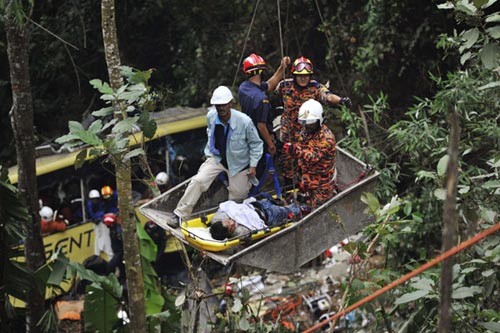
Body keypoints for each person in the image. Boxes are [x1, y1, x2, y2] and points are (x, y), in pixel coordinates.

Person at [173, 86, 263, 221]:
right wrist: (209, 153)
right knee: (198, 181)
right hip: (218, 158)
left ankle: (228, 221)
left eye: (224, 105)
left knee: (237, 197)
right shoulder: (211, 116)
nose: (221, 108)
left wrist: (253, 165)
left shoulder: (244, 121)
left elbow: (256, 144)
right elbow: (210, 133)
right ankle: (180, 214)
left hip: (239, 163)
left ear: (230, 104)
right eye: (218, 105)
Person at [276, 56, 350, 184]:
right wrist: (281, 67)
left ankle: (305, 186)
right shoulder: (285, 86)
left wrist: (341, 100)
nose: (303, 78)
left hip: (307, 132)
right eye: (300, 75)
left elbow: (328, 96)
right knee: (288, 163)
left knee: (307, 161)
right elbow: (270, 90)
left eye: (306, 75)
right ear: (294, 75)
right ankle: (288, 189)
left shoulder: (315, 87)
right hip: (289, 132)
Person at [238, 54, 290, 178]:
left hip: (247, 137)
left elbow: (269, 85)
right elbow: (261, 126)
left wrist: (282, 68)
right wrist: (270, 145)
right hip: (259, 140)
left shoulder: (244, 88)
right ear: (261, 72)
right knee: (281, 156)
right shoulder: (262, 100)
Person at [283, 99, 337, 207]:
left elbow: (313, 156)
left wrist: (295, 151)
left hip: (322, 184)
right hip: (308, 178)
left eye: (311, 123)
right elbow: (301, 145)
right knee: (308, 203)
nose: (307, 126)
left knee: (321, 210)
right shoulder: (306, 132)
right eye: (305, 123)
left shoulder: (326, 138)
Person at [209, 197, 303, 240]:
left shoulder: (218, 219)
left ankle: (284, 202)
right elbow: (245, 232)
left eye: (228, 221)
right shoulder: (240, 232)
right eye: (231, 227)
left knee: (275, 201)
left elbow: (217, 217)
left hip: (256, 205)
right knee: (291, 210)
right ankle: (302, 206)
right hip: (269, 215)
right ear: (229, 233)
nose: (232, 222)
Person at [86, 189, 114, 259]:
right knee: (98, 240)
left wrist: (100, 217)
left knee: (107, 241)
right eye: (93, 199)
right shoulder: (89, 204)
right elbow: (91, 213)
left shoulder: (101, 203)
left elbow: (102, 211)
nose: (95, 201)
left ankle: (109, 255)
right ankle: (97, 256)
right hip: (96, 224)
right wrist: (95, 219)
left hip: (102, 223)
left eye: (96, 199)